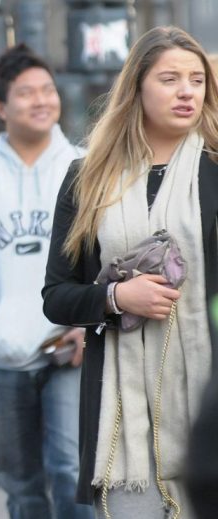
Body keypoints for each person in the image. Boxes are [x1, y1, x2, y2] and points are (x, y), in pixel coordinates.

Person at [43, 26, 218, 518]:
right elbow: (56, 294)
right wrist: (117, 298)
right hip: (122, 428)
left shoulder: (215, 169)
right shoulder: (87, 178)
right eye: (169, 79)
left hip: (208, 408)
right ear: (137, 87)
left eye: (196, 79)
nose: (187, 91)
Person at [0, 43, 91, 519]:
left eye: (48, 90)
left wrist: (91, 325)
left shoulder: (88, 167)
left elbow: (111, 255)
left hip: (71, 351)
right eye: (26, 92)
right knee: (21, 485)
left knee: (73, 474)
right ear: (1, 107)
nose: (41, 100)